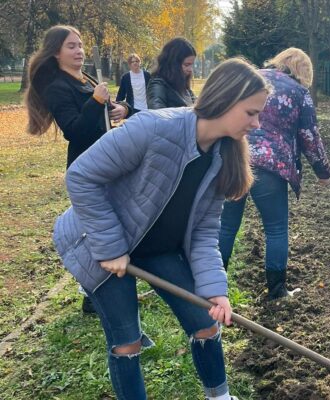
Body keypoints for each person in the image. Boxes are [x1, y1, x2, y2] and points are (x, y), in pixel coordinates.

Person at [51, 57, 269, 400]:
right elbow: (81, 176)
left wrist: (215, 290)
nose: (257, 123)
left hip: (158, 249)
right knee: (127, 342)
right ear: (226, 100)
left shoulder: (222, 156)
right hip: (102, 240)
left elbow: (203, 232)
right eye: (251, 112)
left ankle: (220, 396)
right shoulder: (154, 128)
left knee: (206, 324)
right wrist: (111, 247)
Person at [25, 25, 132, 314]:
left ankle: (111, 285)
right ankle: (92, 295)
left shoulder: (84, 78)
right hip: (87, 168)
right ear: (56, 52)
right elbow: (74, 130)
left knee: (112, 226)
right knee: (95, 232)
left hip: (109, 163)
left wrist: (121, 108)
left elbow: (105, 112)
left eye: (81, 45)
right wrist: (96, 100)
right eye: (71, 46)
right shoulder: (57, 87)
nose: (79, 51)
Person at [218, 47, 330, 300]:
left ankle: (213, 289)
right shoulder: (299, 92)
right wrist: (323, 171)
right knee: (276, 228)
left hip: (235, 156)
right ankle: (277, 291)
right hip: (270, 165)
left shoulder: (250, 78)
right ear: (303, 71)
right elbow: (309, 136)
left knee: (226, 226)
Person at [147, 37, 197, 109]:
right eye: (186, 65)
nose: (190, 69)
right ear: (174, 64)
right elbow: (157, 115)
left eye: (191, 65)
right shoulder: (158, 85)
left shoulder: (183, 86)